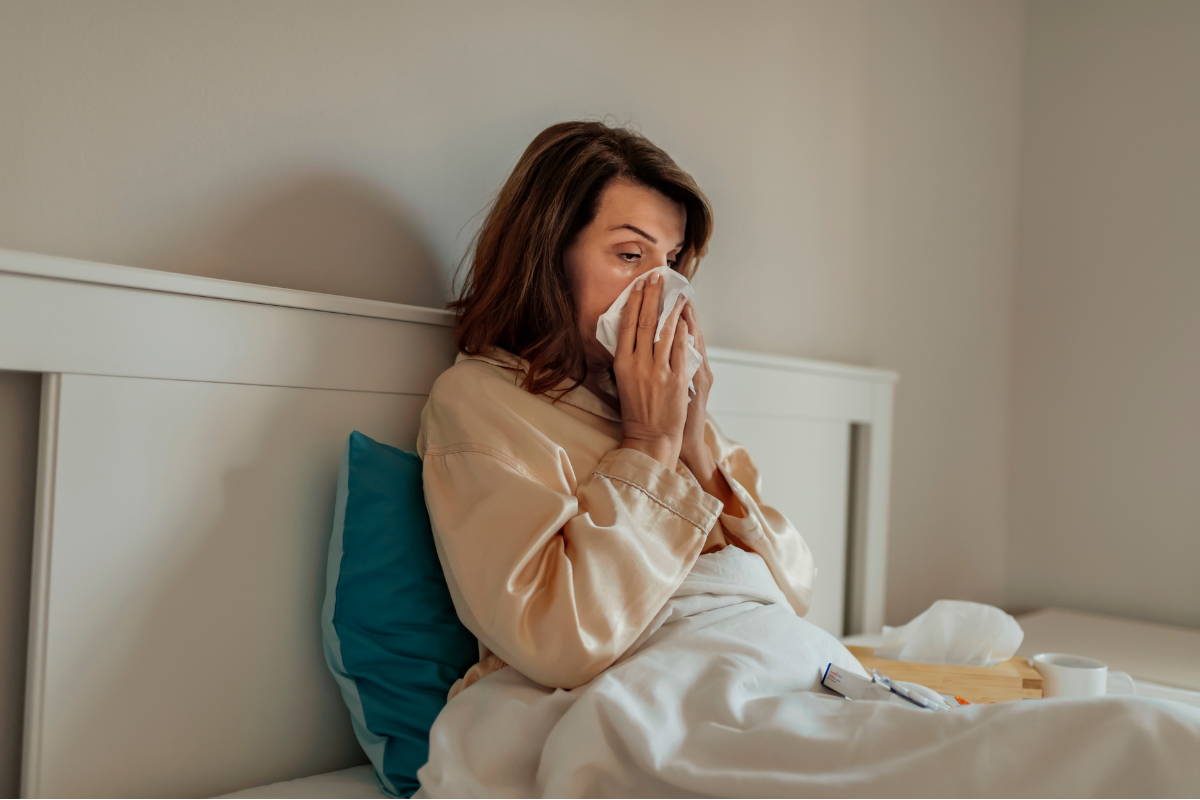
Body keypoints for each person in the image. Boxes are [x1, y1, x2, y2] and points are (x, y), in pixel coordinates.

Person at [416, 120, 815, 694]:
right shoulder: (479, 403)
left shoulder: (666, 403)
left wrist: (694, 447)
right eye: (630, 254)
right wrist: (650, 447)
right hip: (635, 698)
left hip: (761, 669)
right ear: (548, 256)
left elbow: (794, 592)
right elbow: (555, 641)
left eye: (672, 262)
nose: (660, 289)